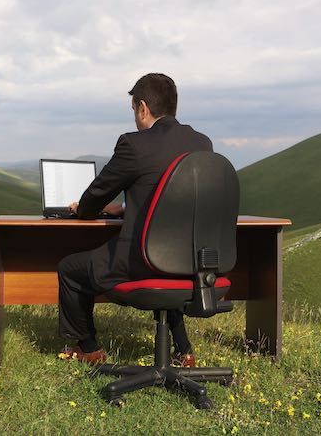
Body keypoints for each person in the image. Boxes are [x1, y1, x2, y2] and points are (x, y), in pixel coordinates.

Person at [57, 73, 213, 366]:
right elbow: (172, 200)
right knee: (170, 258)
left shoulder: (134, 144)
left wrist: (84, 210)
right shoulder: (202, 143)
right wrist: (128, 208)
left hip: (142, 260)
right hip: (190, 260)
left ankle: (88, 349)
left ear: (142, 107)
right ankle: (184, 351)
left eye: (133, 111)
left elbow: (97, 195)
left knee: (70, 269)